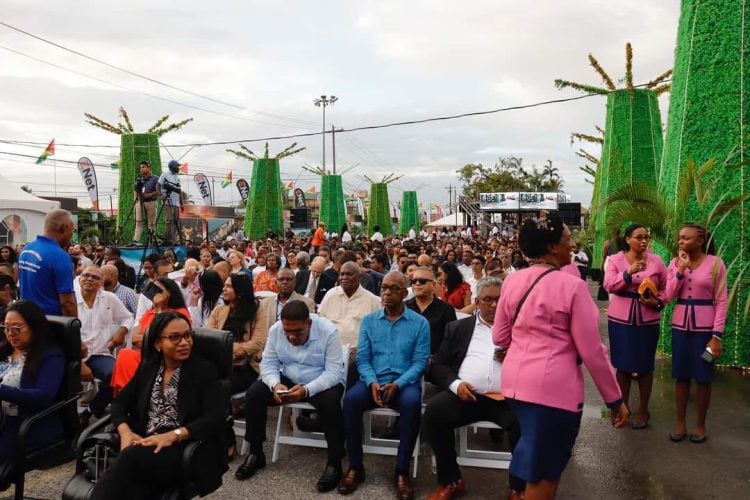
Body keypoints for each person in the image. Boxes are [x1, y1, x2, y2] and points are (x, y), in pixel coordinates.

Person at [492, 215, 628, 499]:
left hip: (516, 386)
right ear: (553, 248)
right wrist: (615, 400)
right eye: (568, 240)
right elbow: (592, 351)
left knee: (535, 457)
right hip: (553, 392)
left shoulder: (513, 281)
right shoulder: (571, 287)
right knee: (545, 474)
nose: (573, 245)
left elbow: (500, 338)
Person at [90, 311, 227, 500]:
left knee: (129, 459)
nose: (185, 342)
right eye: (175, 338)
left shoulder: (203, 371)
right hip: (146, 443)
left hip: (183, 449)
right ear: (157, 344)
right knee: (134, 490)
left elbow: (215, 416)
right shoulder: (149, 367)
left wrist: (174, 435)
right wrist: (125, 433)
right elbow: (120, 402)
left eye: (188, 335)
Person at [424, 277, 524, 499]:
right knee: (434, 412)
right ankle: (451, 480)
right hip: (468, 396)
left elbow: (537, 363)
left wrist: (515, 356)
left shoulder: (521, 329)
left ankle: (518, 487)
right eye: (488, 299)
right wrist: (456, 385)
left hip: (507, 399)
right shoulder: (459, 327)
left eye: (499, 299)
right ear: (477, 302)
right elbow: (438, 364)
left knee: (526, 422)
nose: (494, 305)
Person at [235, 301, 346, 492]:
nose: (292, 337)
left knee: (331, 402)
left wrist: (306, 390)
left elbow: (334, 373)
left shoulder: (328, 331)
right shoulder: (277, 330)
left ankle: (334, 463)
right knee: (255, 393)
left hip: (319, 380)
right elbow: (268, 364)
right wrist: (276, 385)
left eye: (298, 332)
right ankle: (256, 452)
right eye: (288, 331)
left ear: (309, 324)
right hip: (288, 377)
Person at [339, 271, 430, 499]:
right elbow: (362, 358)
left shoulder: (420, 324)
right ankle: (355, 466)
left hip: (403, 383)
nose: (387, 292)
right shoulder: (370, 321)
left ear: (405, 293)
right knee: (350, 400)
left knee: (412, 404)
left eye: (393, 288)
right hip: (373, 380)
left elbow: (420, 363)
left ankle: (401, 471)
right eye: (384, 288)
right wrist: (371, 382)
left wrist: (397, 385)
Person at [664, 224, 727, 443]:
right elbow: (669, 294)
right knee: (681, 375)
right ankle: (680, 422)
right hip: (680, 329)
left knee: (704, 376)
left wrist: (716, 336)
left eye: (686, 238)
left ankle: (700, 424)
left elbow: (721, 301)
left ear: (700, 241)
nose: (681, 242)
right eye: (680, 238)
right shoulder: (674, 263)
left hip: (706, 333)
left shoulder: (716, 264)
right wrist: (681, 270)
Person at [604, 224, 667, 428]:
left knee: (645, 367)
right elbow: (608, 285)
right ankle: (623, 407)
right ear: (628, 239)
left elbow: (666, 287)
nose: (643, 241)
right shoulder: (615, 260)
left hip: (648, 319)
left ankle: (643, 409)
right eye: (639, 237)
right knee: (622, 366)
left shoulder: (656, 261)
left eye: (646, 237)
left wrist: (658, 302)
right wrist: (627, 273)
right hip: (620, 320)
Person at [0, 301, 65, 463]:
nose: (10, 334)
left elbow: (44, 396)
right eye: (6, 328)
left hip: (22, 424)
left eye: (16, 328)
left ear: (35, 327)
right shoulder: (3, 350)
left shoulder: (50, 355)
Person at [111, 278, 190, 395]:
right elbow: (135, 339)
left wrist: (158, 310)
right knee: (125, 354)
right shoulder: (149, 312)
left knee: (127, 356)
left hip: (165, 357)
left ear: (168, 293)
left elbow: (158, 336)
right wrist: (150, 338)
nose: (155, 293)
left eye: (159, 290)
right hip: (146, 354)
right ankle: (126, 396)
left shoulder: (180, 312)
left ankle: (133, 395)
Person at [77, 266, 134, 420]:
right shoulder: (70, 299)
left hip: (99, 353)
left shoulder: (109, 298)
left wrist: (121, 332)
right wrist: (80, 365)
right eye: (86, 275)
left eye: (95, 277)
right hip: (73, 355)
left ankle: (91, 412)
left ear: (102, 282)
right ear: (79, 278)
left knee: (115, 375)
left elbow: (128, 317)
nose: (89, 279)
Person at [318, 262, 381, 386]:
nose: (344, 278)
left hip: (358, 353)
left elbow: (378, 334)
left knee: (352, 368)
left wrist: (361, 349)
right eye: (342, 274)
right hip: (330, 350)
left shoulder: (372, 300)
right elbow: (321, 325)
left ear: (360, 277)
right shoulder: (331, 295)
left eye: (349, 274)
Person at [207, 274, 267, 393]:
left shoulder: (257, 312)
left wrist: (232, 348)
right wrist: (230, 347)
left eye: (229, 286)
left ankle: (225, 410)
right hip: (219, 362)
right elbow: (209, 337)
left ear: (240, 291)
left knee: (221, 386)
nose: (224, 289)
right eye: (224, 286)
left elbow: (257, 343)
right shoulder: (219, 310)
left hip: (245, 365)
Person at [17, 209, 77, 317]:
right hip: (50, 324)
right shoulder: (60, 256)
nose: (71, 235)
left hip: (27, 319)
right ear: (65, 228)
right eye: (72, 230)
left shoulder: (27, 249)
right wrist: (73, 329)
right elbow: (67, 304)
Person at [405, 266, 457, 356]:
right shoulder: (403, 308)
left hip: (435, 362)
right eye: (414, 281)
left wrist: (434, 359)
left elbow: (451, 341)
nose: (417, 284)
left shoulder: (446, 309)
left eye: (422, 281)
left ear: (433, 285)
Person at [132, 160, 159, 245]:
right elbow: (136, 191)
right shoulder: (139, 178)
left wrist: (150, 194)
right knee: (139, 221)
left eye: (143, 167)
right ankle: (136, 240)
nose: (141, 169)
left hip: (151, 202)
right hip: (140, 202)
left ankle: (153, 241)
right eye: (141, 167)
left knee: (151, 223)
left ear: (149, 167)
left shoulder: (155, 179)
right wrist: (135, 203)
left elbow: (159, 191)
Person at [157, 160, 182, 245]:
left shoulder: (177, 177)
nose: (178, 168)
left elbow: (179, 190)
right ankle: (168, 239)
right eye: (177, 166)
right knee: (169, 220)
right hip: (168, 201)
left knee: (176, 221)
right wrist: (160, 195)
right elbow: (158, 185)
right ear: (172, 166)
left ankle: (175, 240)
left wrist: (181, 203)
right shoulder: (165, 175)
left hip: (176, 203)